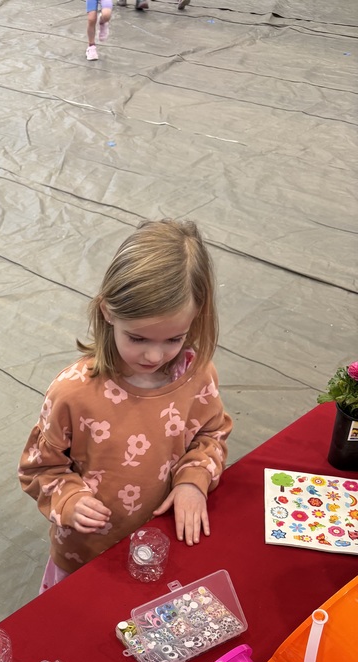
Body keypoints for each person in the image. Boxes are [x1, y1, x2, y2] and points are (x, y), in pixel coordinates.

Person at [18, 219, 232, 593]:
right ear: (107, 312)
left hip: (161, 540)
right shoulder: (72, 393)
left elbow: (210, 435)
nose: (154, 355)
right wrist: (70, 499)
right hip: (84, 554)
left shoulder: (198, 376)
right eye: (137, 337)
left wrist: (193, 482)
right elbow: (39, 468)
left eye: (174, 339)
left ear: (196, 319)